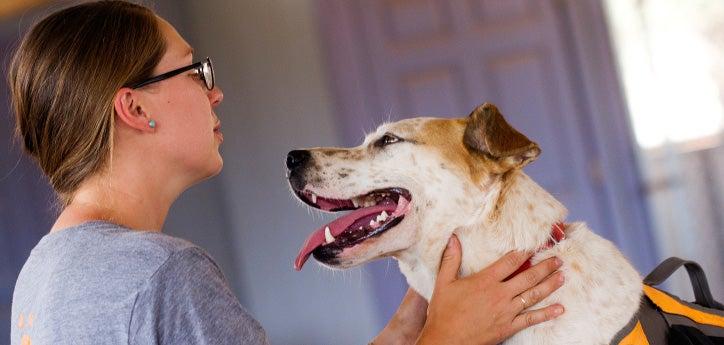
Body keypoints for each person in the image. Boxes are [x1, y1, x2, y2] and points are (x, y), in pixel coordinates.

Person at [7, 1, 565, 344]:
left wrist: (401, 335)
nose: (215, 90)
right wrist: (448, 341)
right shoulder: (164, 276)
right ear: (136, 109)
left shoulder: (43, 275)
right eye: (195, 71)